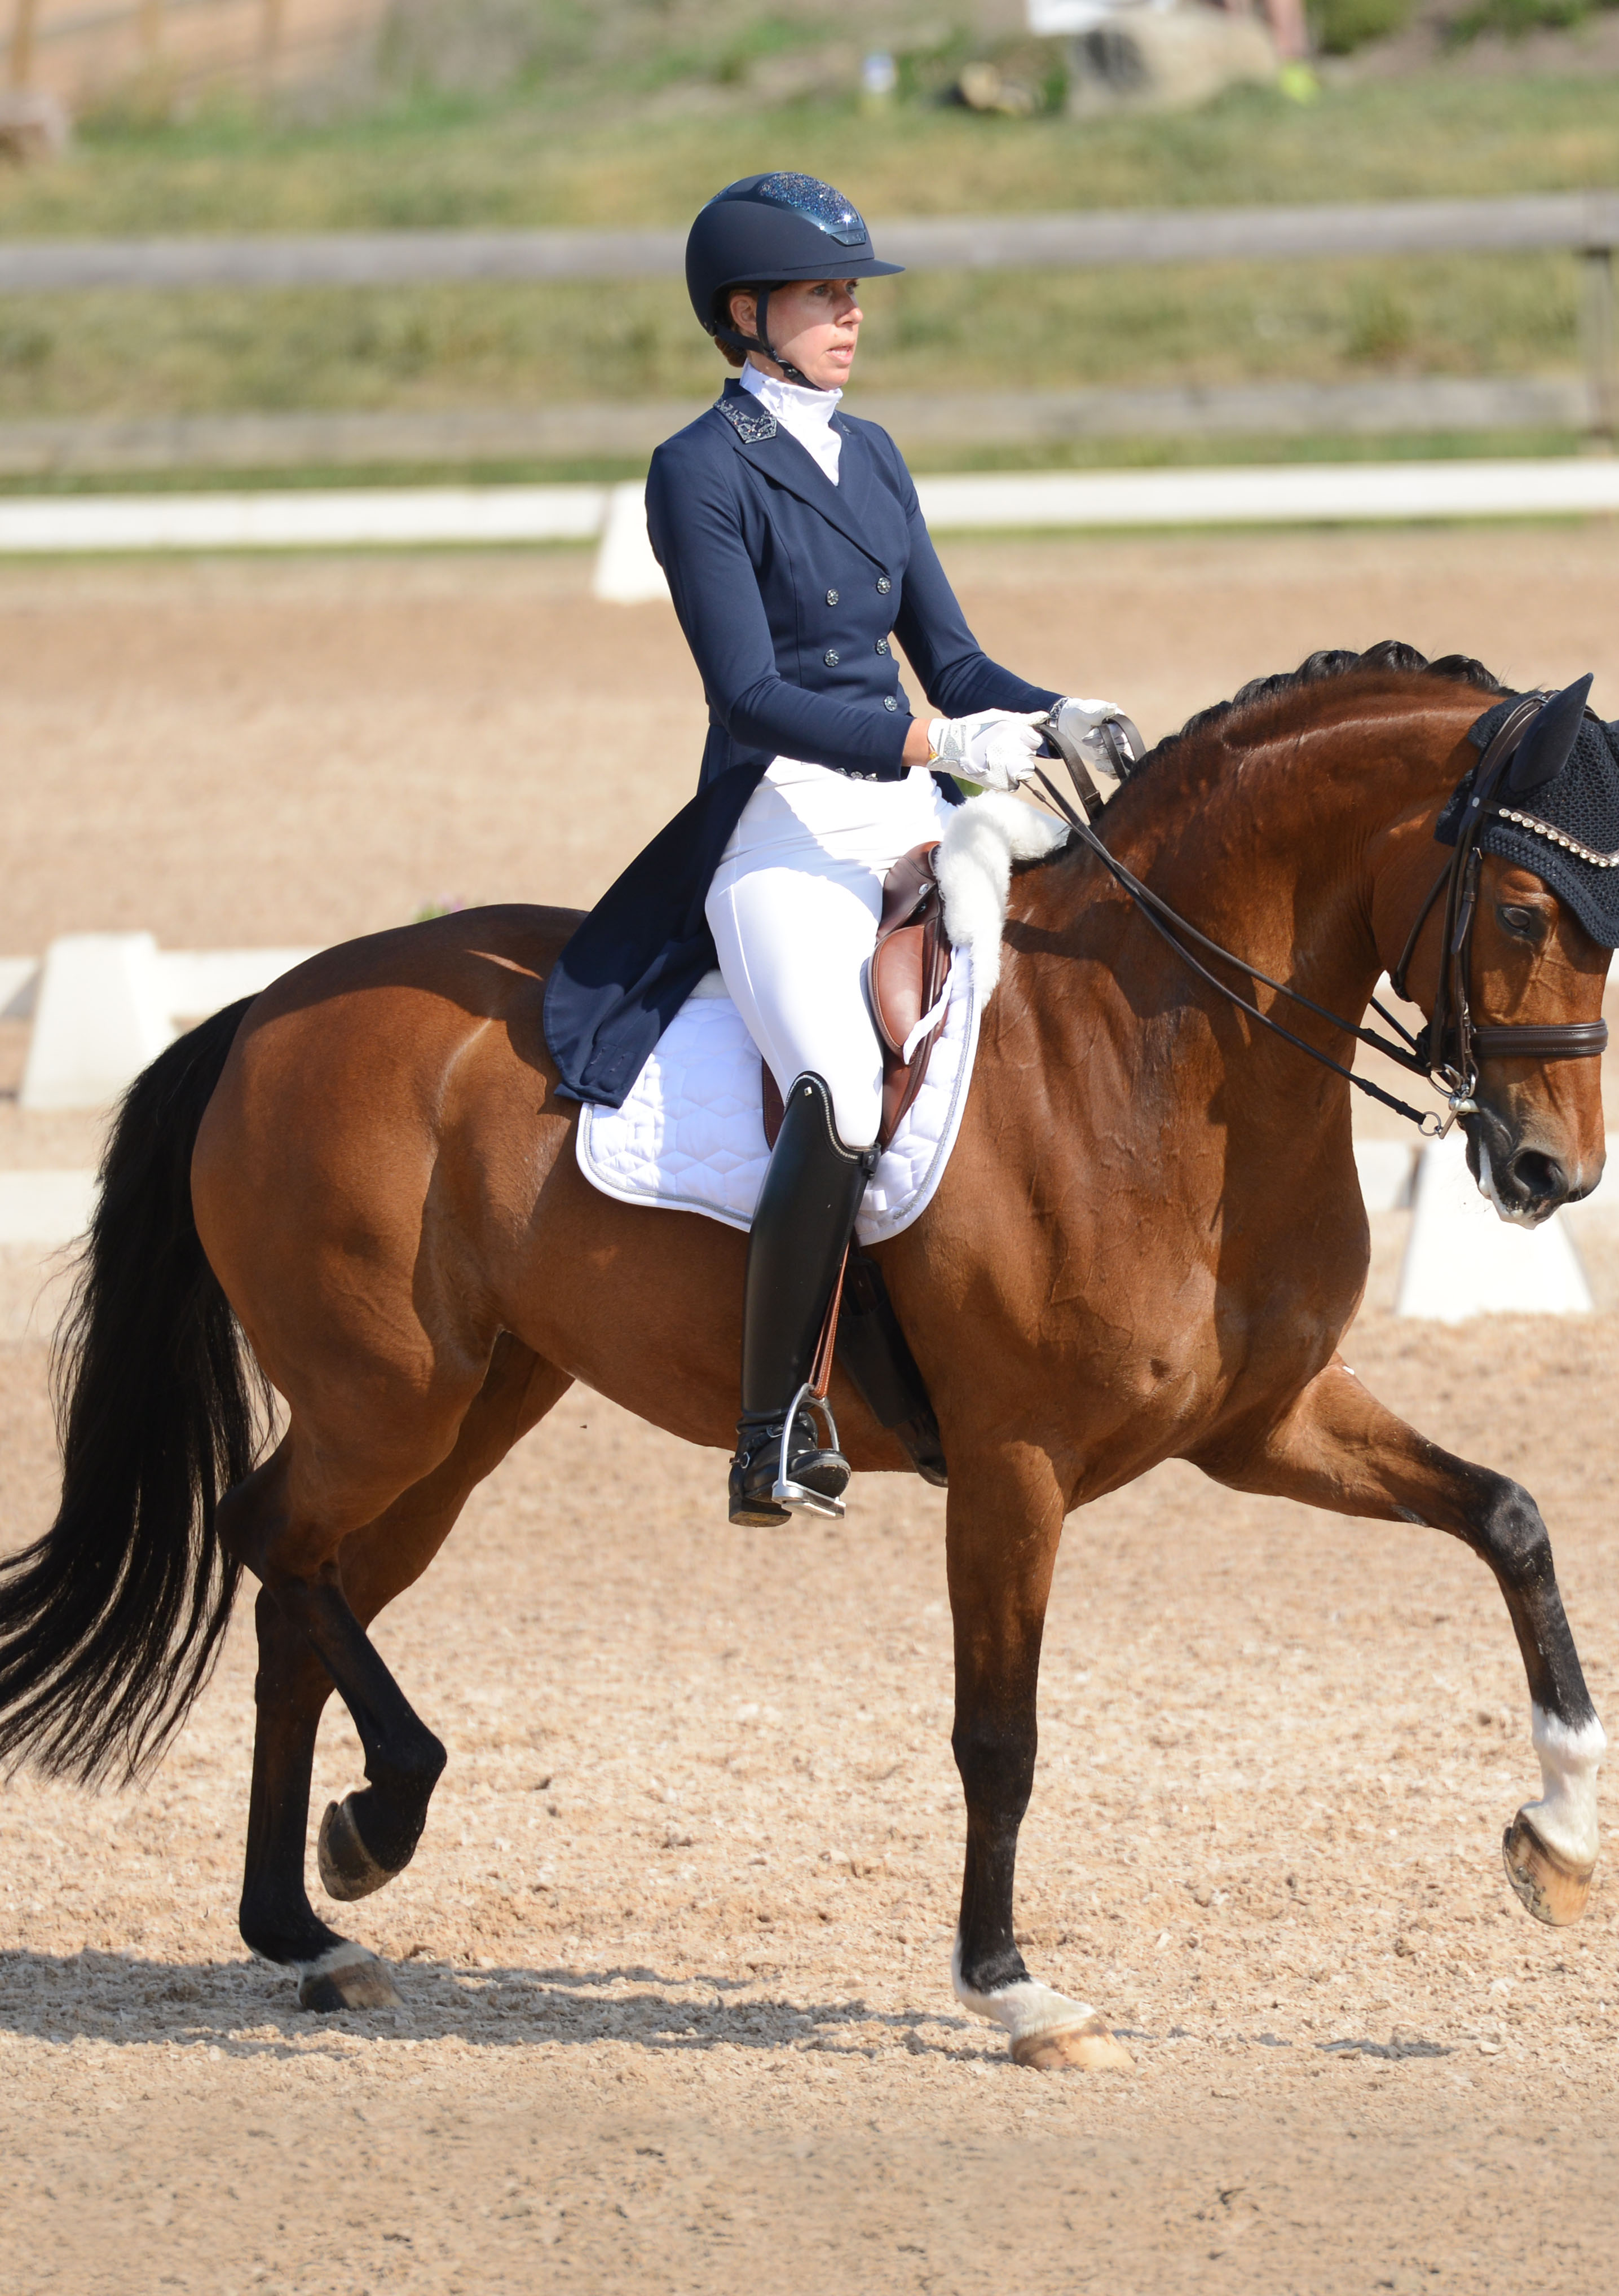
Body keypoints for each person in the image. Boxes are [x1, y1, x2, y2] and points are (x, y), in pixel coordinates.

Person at [540, 171, 1139, 1529]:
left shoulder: (871, 455)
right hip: (780, 825)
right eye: (823, 296)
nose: (849, 317)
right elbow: (750, 694)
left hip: (907, 811)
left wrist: (1054, 712)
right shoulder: (697, 471)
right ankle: (772, 1426)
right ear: (745, 315)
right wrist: (936, 747)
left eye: (853, 295)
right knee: (842, 1088)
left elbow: (955, 655)